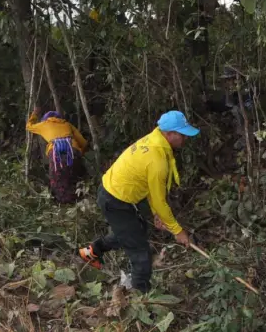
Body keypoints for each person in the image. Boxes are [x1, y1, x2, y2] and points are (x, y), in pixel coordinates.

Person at [78, 110, 198, 292]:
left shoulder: (154, 139)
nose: (185, 138)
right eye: (182, 134)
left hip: (117, 194)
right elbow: (159, 200)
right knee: (140, 251)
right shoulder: (157, 160)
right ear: (169, 134)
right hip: (114, 200)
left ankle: (92, 251)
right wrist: (178, 231)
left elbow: (152, 190)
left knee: (135, 231)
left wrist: (157, 214)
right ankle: (141, 295)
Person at [26, 107, 89, 204]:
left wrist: (34, 114)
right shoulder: (67, 124)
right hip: (73, 149)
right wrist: (82, 151)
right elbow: (83, 142)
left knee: (57, 179)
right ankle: (80, 198)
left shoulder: (44, 124)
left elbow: (29, 126)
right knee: (74, 175)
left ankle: (64, 202)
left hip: (56, 152)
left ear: (46, 119)